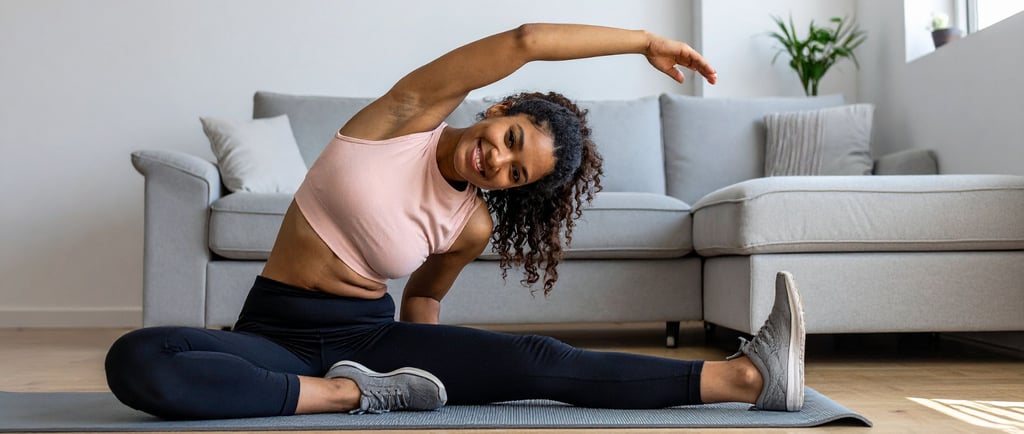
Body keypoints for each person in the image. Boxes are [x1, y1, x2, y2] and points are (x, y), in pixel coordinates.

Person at [105, 23, 806, 420]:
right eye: (510, 140)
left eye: (516, 173)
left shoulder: (469, 225)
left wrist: (426, 354)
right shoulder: (404, 116)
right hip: (277, 336)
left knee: (540, 362)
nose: (497, 162)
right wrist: (639, 42)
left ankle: (745, 378)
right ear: (500, 112)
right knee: (136, 361)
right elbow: (527, 38)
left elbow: (424, 297)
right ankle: (350, 397)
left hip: (371, 335)